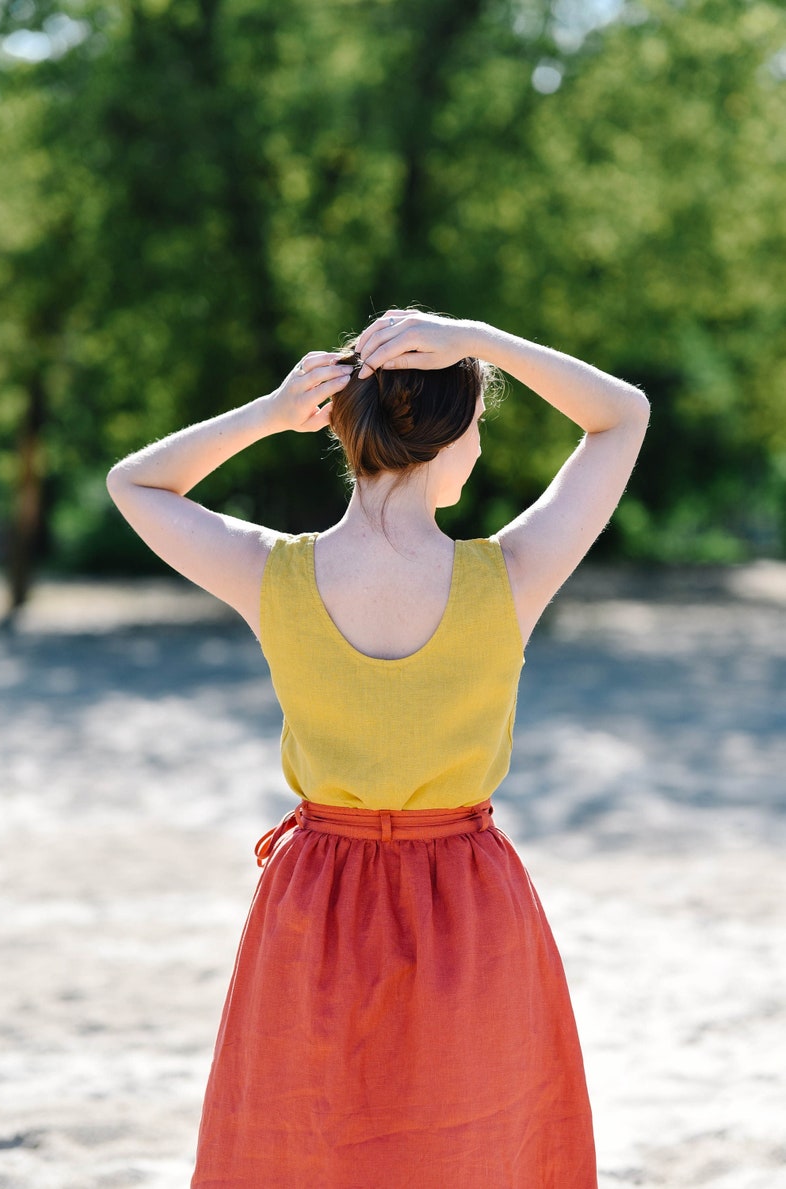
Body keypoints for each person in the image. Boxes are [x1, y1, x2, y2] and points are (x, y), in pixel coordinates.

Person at [107, 308, 649, 1187]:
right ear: (447, 436)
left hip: (315, 901)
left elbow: (136, 483)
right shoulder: (512, 574)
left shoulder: (269, 571)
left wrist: (272, 411)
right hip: (469, 903)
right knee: (475, 1147)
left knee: (307, 1147)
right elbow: (622, 414)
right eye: (477, 427)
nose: (478, 449)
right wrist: (482, 338)